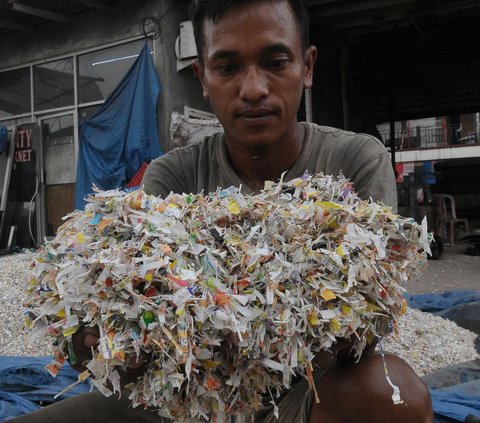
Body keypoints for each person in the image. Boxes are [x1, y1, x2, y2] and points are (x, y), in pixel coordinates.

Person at [10, 1, 433, 422]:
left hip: (302, 393)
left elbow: (367, 324)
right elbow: (136, 333)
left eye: (275, 61)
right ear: (203, 78)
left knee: (394, 397)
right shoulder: (172, 177)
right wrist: (105, 343)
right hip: (186, 401)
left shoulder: (355, 161)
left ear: (306, 67)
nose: (253, 89)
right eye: (228, 68)